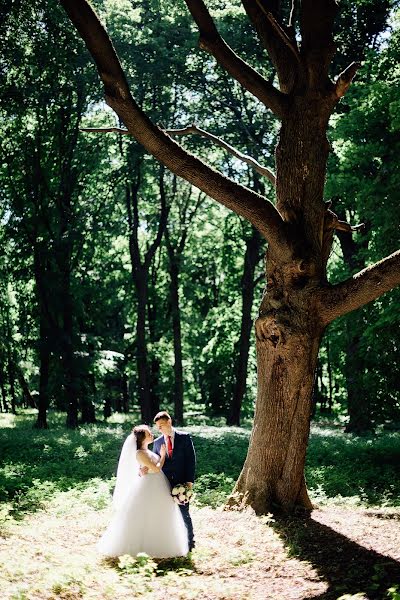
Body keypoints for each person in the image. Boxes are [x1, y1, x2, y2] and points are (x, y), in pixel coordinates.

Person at [97, 424, 188, 558]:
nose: (151, 434)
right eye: (148, 433)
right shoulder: (139, 453)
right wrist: (162, 456)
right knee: (144, 514)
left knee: (160, 513)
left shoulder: (148, 451)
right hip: (148, 486)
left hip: (158, 484)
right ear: (142, 438)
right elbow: (156, 469)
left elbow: (149, 468)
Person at [152, 411, 196, 551]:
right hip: (164, 483)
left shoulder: (184, 437)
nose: (159, 429)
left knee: (184, 513)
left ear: (169, 422)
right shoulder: (158, 442)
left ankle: (190, 543)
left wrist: (189, 481)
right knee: (167, 514)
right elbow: (155, 461)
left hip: (182, 483)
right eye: (157, 426)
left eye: (162, 425)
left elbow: (191, 460)